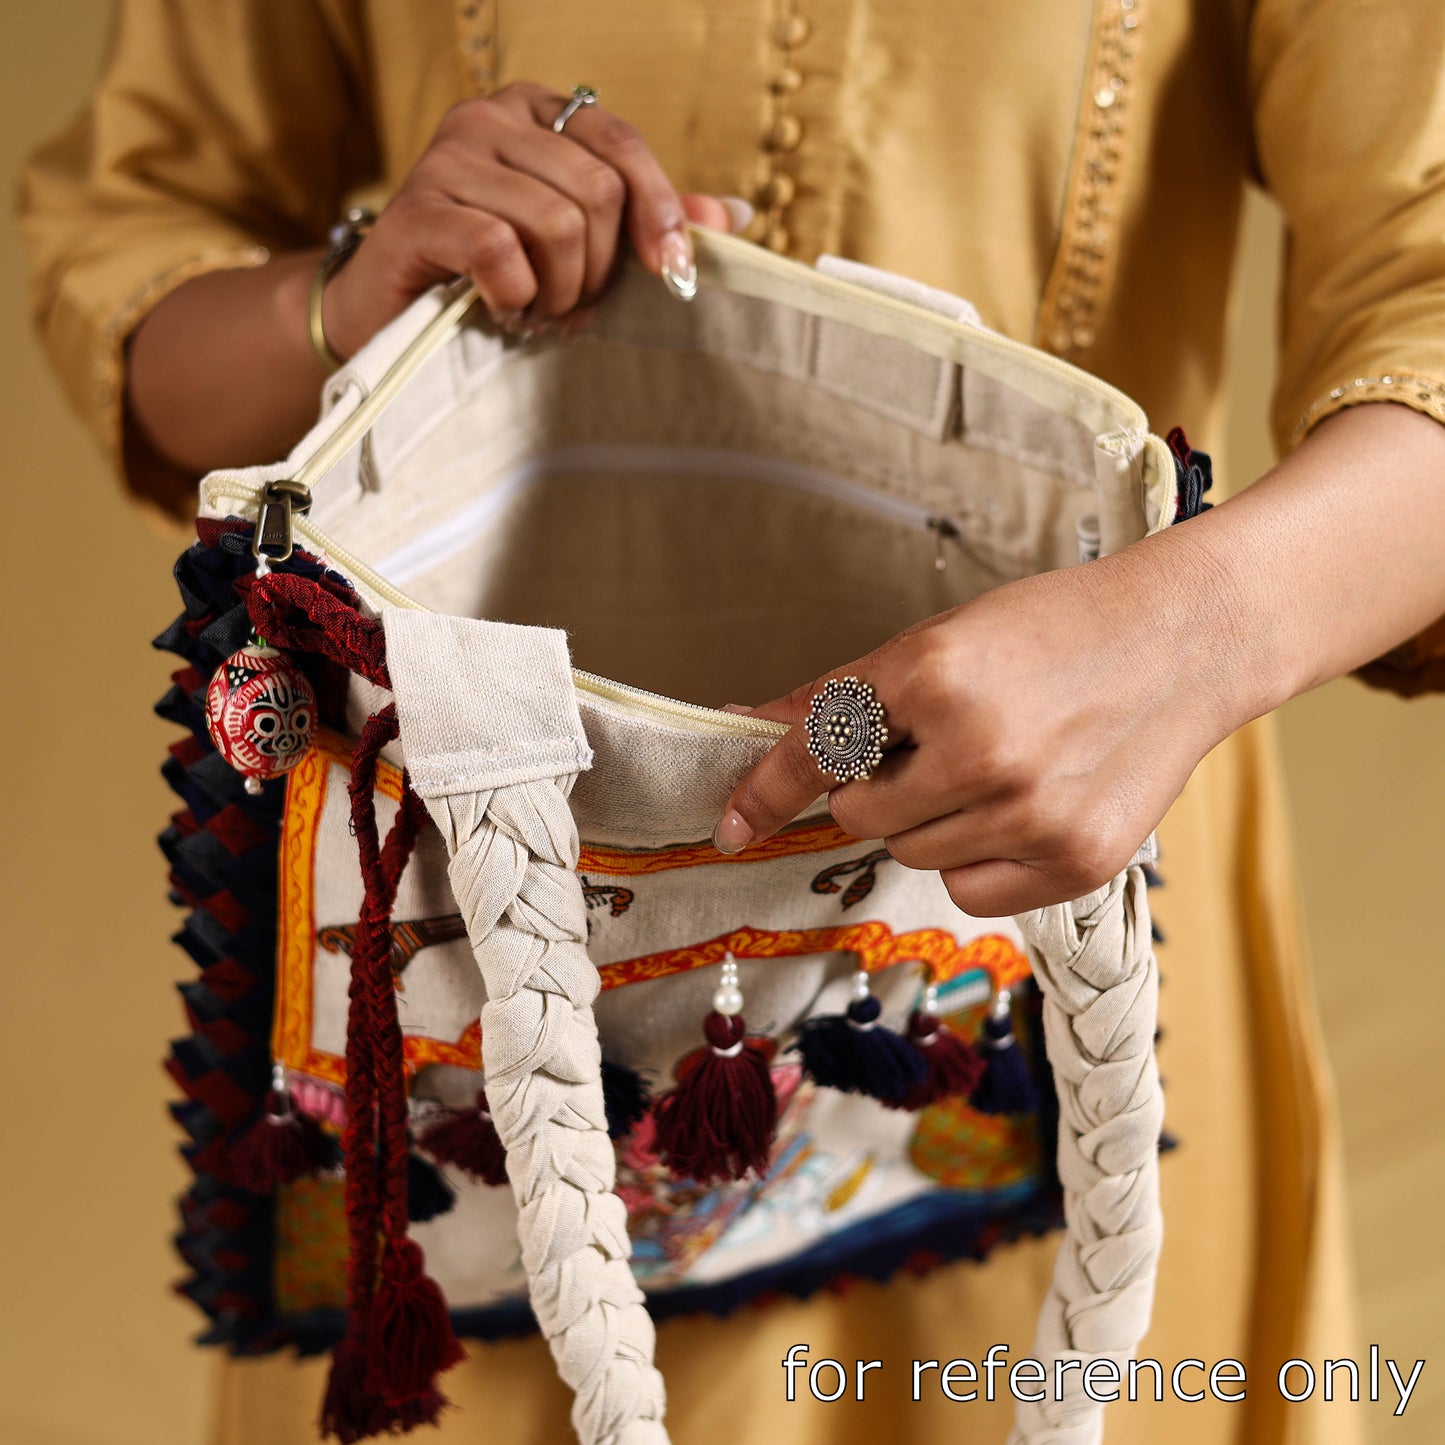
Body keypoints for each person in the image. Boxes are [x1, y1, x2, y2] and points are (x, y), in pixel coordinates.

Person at [19, 3, 1445, 1443]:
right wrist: (338, 304)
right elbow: (134, 248)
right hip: (483, 938)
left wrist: (1191, 626)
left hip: (1049, 905)